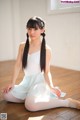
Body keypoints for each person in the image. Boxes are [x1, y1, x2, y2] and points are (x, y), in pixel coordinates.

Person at [3, 16, 80, 111]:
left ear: (42, 30)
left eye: (35, 29)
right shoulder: (22, 46)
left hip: (39, 83)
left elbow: (47, 71)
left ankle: (66, 102)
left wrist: (51, 87)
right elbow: (17, 65)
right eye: (29, 29)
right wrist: (12, 83)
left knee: (31, 106)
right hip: (27, 82)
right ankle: (31, 98)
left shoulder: (46, 50)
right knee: (6, 95)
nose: (31, 32)